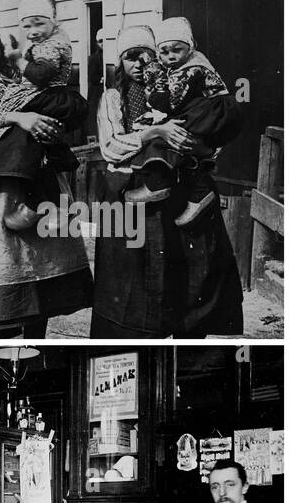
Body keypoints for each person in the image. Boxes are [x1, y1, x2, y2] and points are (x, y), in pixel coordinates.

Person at [92, 25, 243, 337]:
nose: (139, 65)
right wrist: (155, 132)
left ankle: (187, 337)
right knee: (136, 278)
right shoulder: (112, 98)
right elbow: (110, 145)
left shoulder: (173, 90)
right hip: (130, 191)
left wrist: (194, 144)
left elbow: (210, 133)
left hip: (181, 187)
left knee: (188, 272)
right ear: (120, 63)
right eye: (130, 58)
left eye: (145, 58)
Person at [0, 13, 92, 337]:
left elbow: (54, 103)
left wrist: (47, 128)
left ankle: (35, 336)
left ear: (2, 43)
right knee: (0, 257)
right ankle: (0, 335)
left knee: (40, 253)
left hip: (37, 169)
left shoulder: (22, 75)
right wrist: (19, 118)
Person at [0, 0, 83, 230]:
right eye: (27, 26)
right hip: (45, 97)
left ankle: (40, 205)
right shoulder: (43, 43)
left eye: (39, 23)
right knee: (37, 146)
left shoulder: (52, 45)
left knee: (23, 143)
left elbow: (41, 76)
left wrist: (18, 60)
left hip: (48, 97)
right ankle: (45, 205)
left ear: (53, 21)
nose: (33, 31)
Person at [132, 17, 236, 226]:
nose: (170, 56)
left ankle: (158, 183)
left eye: (176, 50)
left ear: (190, 46)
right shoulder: (187, 62)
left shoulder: (191, 69)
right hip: (209, 111)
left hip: (213, 111)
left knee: (171, 137)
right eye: (164, 51)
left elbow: (168, 103)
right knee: (188, 149)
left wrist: (151, 78)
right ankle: (199, 194)